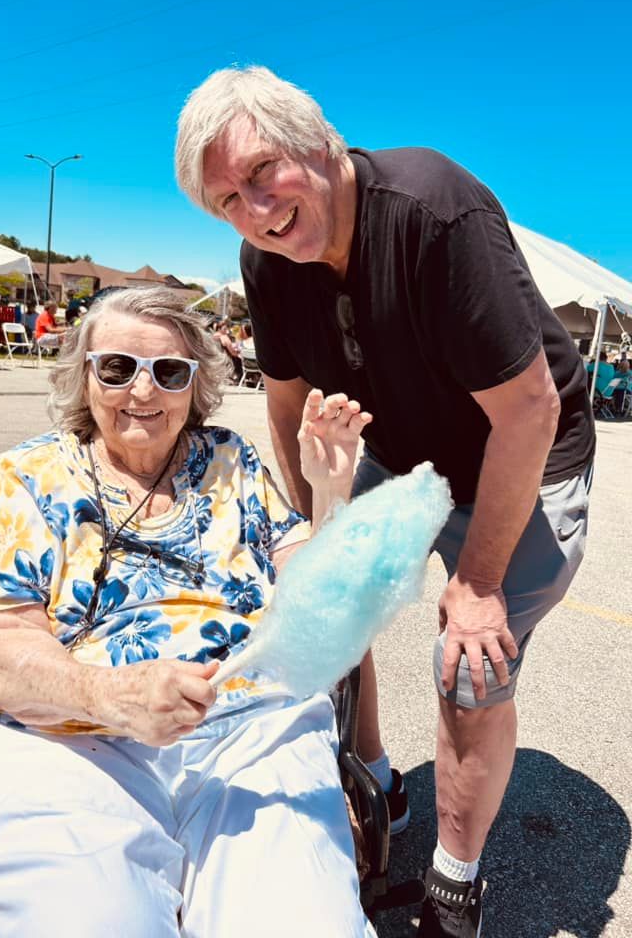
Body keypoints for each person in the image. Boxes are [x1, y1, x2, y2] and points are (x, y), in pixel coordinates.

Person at [175, 66, 596, 936]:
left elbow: (530, 408)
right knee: (326, 608)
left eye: (261, 174)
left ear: (319, 140)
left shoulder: (435, 212)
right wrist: (308, 536)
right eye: (227, 201)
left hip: (521, 453)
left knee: (467, 667)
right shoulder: (268, 261)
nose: (255, 210)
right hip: (404, 454)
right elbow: (286, 400)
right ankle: (378, 787)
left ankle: (454, 881)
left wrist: (477, 586)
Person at [0, 288, 376, 938]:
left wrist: (330, 490)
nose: (144, 390)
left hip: (250, 734)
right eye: (117, 368)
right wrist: (113, 696)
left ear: (194, 385)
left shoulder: (231, 462)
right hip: (73, 740)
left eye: (169, 372)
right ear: (83, 373)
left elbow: (317, 592)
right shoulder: (31, 476)